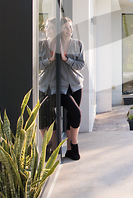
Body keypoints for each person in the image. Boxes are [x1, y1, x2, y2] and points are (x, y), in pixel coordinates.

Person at [39, 16, 85, 160]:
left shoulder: (77, 44)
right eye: (65, 27)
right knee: (45, 115)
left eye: (70, 27)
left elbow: (80, 65)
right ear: (45, 29)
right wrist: (50, 60)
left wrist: (66, 59)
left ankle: (72, 148)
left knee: (72, 116)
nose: (69, 30)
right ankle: (49, 147)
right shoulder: (43, 45)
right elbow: (37, 65)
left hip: (74, 85)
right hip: (49, 86)